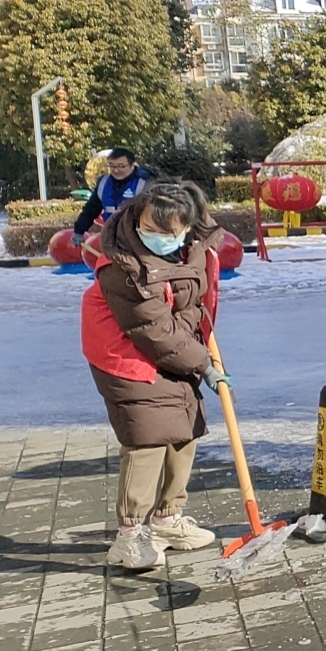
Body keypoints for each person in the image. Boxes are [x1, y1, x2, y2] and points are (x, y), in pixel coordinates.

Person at [80, 180, 224, 570]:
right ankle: (129, 536)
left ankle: (167, 519)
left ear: (188, 227)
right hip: (124, 356)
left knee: (184, 429)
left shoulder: (194, 247)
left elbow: (192, 303)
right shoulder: (122, 265)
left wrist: (195, 338)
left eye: (169, 231)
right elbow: (154, 331)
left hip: (176, 346)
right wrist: (203, 364)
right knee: (147, 440)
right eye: (151, 228)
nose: (158, 236)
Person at [73, 147, 154, 241]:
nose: (115, 170)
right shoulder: (104, 183)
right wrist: (79, 231)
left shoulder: (146, 183)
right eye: (111, 166)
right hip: (112, 235)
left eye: (121, 166)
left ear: (132, 165)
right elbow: (91, 209)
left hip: (139, 237)